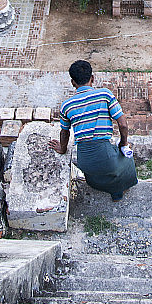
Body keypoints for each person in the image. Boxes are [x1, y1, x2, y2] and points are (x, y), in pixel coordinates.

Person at [50, 60, 138, 202]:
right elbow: (123, 125)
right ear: (92, 78)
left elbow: (64, 132)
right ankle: (117, 193)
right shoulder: (105, 94)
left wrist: (62, 148)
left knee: (97, 170)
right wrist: (123, 143)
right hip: (106, 156)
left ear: (73, 82)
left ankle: (106, 187)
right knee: (125, 160)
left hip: (84, 160)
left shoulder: (66, 106)